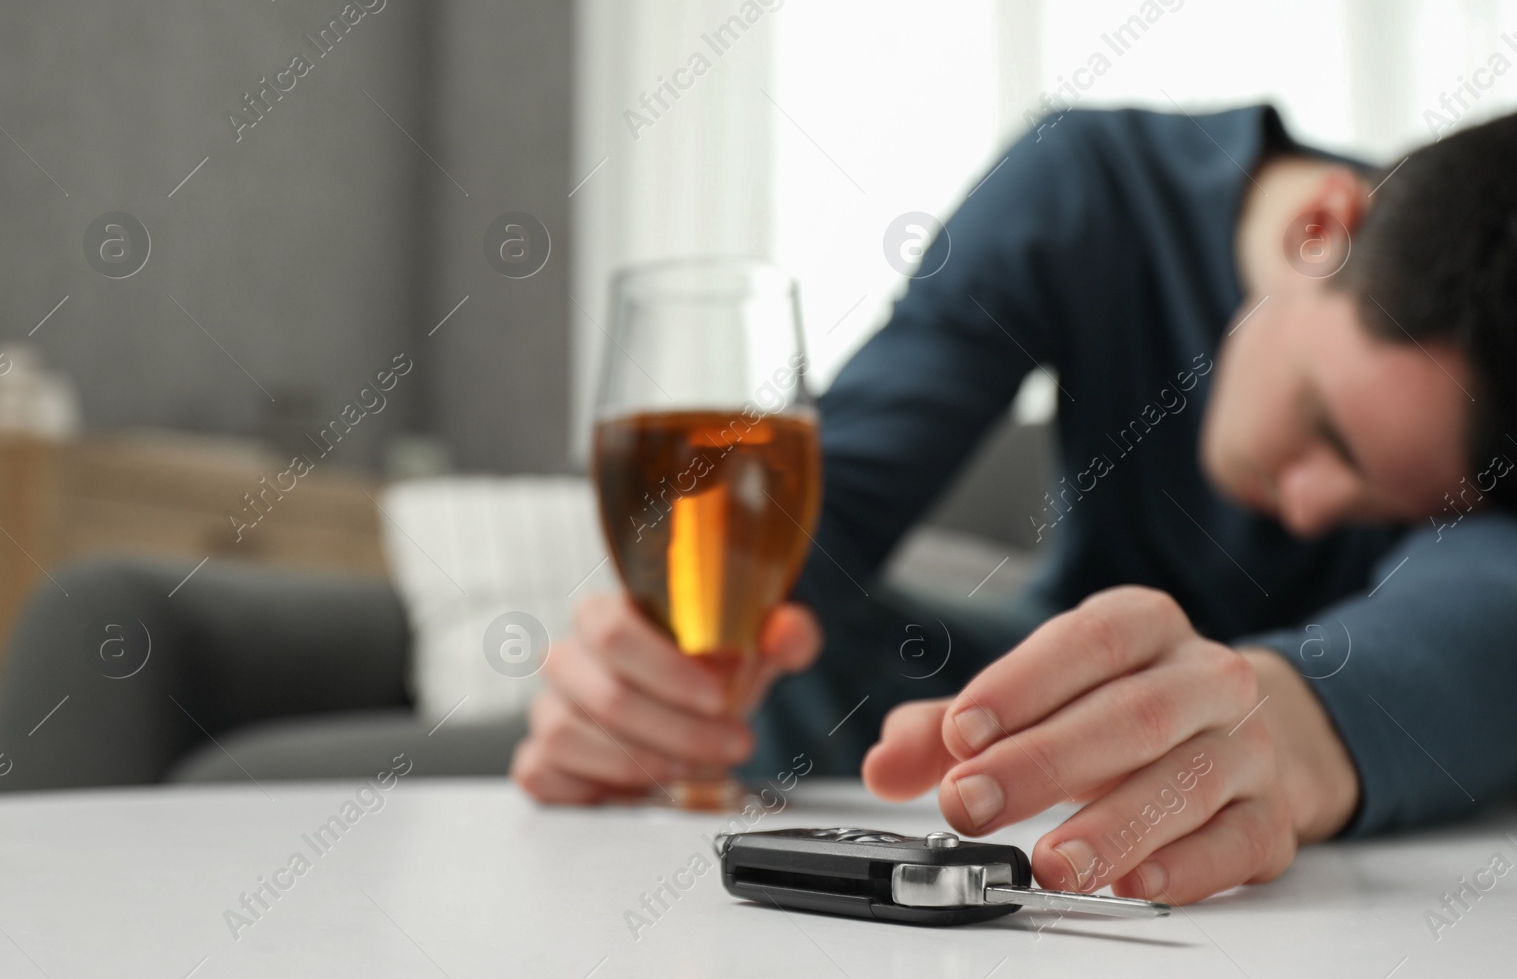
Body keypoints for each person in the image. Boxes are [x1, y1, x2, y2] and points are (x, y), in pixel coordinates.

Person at [511, 104, 1517, 906]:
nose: (1308, 510)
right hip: (1048, 715)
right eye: (1326, 430)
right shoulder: (1089, 184)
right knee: (788, 642)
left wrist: (1298, 728)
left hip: (1336, 737)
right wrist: (655, 675)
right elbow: (813, 513)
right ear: (1318, 229)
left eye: (1401, 500)